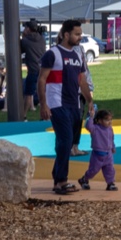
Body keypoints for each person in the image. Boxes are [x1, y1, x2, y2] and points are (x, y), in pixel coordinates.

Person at [40, 19, 94, 195]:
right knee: (66, 139)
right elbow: (41, 79)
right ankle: (61, 181)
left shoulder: (78, 56)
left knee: (67, 142)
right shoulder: (52, 54)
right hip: (57, 103)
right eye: (77, 34)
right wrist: (44, 104)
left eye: (80, 34)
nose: (80, 37)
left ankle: (57, 177)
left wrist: (89, 100)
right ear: (66, 34)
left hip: (74, 104)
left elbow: (82, 80)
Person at [79, 108, 118, 190]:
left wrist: (113, 147)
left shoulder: (110, 129)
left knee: (110, 170)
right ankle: (84, 179)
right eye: (107, 120)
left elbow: (111, 139)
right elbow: (88, 126)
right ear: (100, 121)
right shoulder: (95, 129)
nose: (109, 122)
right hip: (97, 155)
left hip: (108, 154)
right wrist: (91, 117)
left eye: (110, 120)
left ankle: (110, 183)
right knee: (93, 170)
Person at [20, 20, 47, 116]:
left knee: (28, 94)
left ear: (28, 29)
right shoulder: (42, 39)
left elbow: (20, 50)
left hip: (32, 70)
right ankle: (46, 115)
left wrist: (23, 36)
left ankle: (23, 115)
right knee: (44, 93)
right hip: (43, 70)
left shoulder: (25, 41)